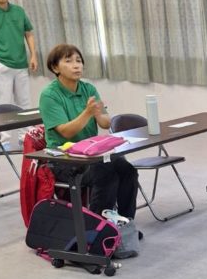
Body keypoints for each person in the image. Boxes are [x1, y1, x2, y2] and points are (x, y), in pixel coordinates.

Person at [39, 43, 138, 222]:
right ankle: (98, 228)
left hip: (91, 154)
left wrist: (99, 114)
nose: (76, 65)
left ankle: (126, 222)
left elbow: (105, 122)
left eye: (79, 61)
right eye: (68, 61)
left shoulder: (88, 89)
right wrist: (87, 112)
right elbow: (66, 132)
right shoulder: (49, 95)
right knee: (106, 174)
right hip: (63, 159)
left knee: (127, 170)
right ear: (55, 68)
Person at [0, 0, 38, 149]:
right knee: (3, 104)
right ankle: (5, 140)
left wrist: (33, 55)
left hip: (21, 63)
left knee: (24, 102)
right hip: (1, 65)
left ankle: (25, 137)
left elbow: (28, 33)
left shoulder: (19, 11)